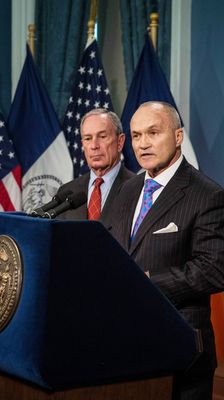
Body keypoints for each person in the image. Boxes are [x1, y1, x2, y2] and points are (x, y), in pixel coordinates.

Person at [110, 101, 224, 400]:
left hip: (178, 347)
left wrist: (148, 282)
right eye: (136, 135)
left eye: (153, 133)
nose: (143, 144)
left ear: (177, 136)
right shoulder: (129, 189)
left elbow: (213, 269)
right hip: (123, 344)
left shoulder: (207, 194)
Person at [56, 108, 134, 225]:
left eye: (102, 137)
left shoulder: (138, 188)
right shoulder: (67, 192)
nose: (94, 146)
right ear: (83, 144)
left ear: (120, 142)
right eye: (88, 138)